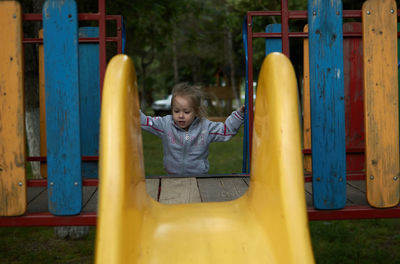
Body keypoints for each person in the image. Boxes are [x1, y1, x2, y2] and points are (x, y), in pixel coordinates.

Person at [140, 82, 245, 175]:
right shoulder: (166, 124)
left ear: (196, 111)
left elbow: (225, 130)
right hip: (172, 178)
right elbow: (146, 122)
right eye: (176, 111)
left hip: (198, 178)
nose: (181, 116)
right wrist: (133, 110)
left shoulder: (205, 127)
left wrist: (239, 115)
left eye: (186, 112)